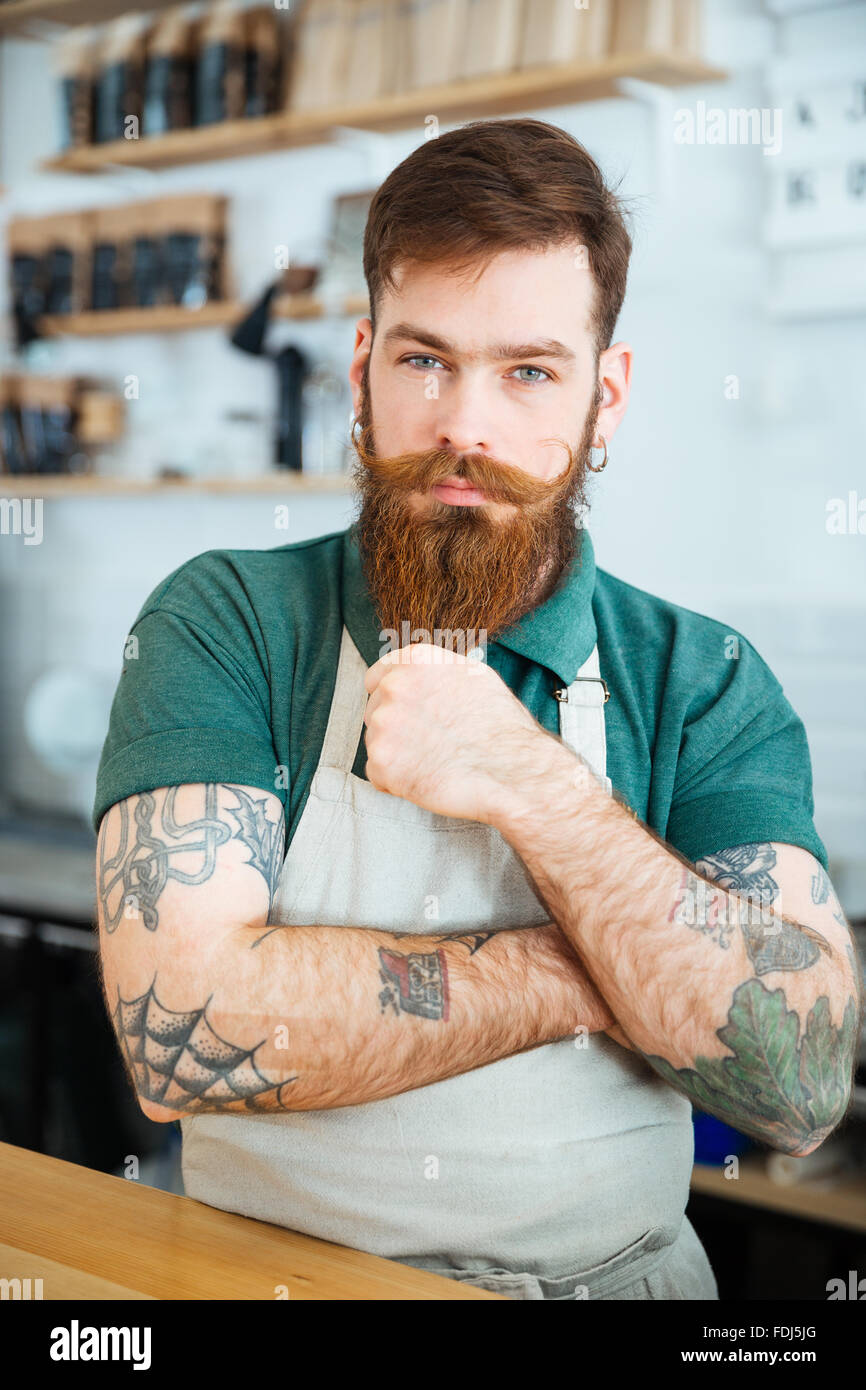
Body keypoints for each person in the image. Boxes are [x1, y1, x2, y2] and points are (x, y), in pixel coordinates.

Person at [93, 118, 861, 1301]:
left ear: (604, 395)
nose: (465, 424)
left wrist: (529, 781)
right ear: (360, 369)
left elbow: (796, 1086)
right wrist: (597, 970)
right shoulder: (227, 620)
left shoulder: (700, 676)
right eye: (423, 360)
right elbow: (179, 1034)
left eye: (528, 371)